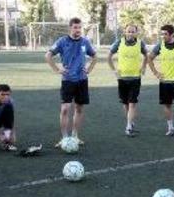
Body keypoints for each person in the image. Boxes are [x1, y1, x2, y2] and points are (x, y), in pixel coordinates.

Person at [46, 17, 97, 145]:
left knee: (79, 109)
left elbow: (94, 56)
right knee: (65, 109)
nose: (78, 30)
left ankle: (75, 136)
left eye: (80, 27)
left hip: (82, 80)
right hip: (67, 80)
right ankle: (64, 138)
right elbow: (48, 55)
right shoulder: (62, 41)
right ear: (70, 28)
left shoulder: (85, 42)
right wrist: (57, 69)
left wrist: (89, 68)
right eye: (75, 27)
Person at [108, 25, 147, 137]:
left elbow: (146, 55)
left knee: (132, 103)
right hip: (122, 78)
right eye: (128, 31)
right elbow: (109, 56)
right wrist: (114, 70)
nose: (130, 33)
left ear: (136, 33)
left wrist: (143, 67)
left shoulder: (140, 43)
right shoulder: (119, 43)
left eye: (133, 31)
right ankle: (130, 122)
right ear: (125, 32)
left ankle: (128, 127)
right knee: (125, 104)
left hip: (135, 78)